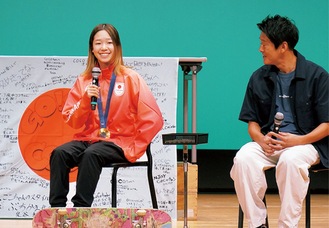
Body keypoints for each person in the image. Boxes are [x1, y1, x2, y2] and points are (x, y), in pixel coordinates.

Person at [49, 23, 164, 207]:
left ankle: (81, 209)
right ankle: (57, 210)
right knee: (60, 153)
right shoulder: (85, 80)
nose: (104, 48)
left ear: (117, 47)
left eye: (109, 43)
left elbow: (154, 118)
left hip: (120, 142)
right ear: (92, 49)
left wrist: (134, 147)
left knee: (91, 155)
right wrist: (86, 99)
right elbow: (72, 120)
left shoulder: (130, 78)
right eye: (98, 43)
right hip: (89, 139)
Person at [230, 15, 328, 228]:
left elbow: (327, 124)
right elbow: (252, 122)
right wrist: (260, 139)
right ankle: (257, 223)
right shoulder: (259, 77)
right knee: (243, 159)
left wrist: (299, 140)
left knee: (291, 161)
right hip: (270, 143)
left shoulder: (317, 76)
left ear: (283, 46)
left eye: (264, 43)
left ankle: (287, 225)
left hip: (306, 143)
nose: (260, 49)